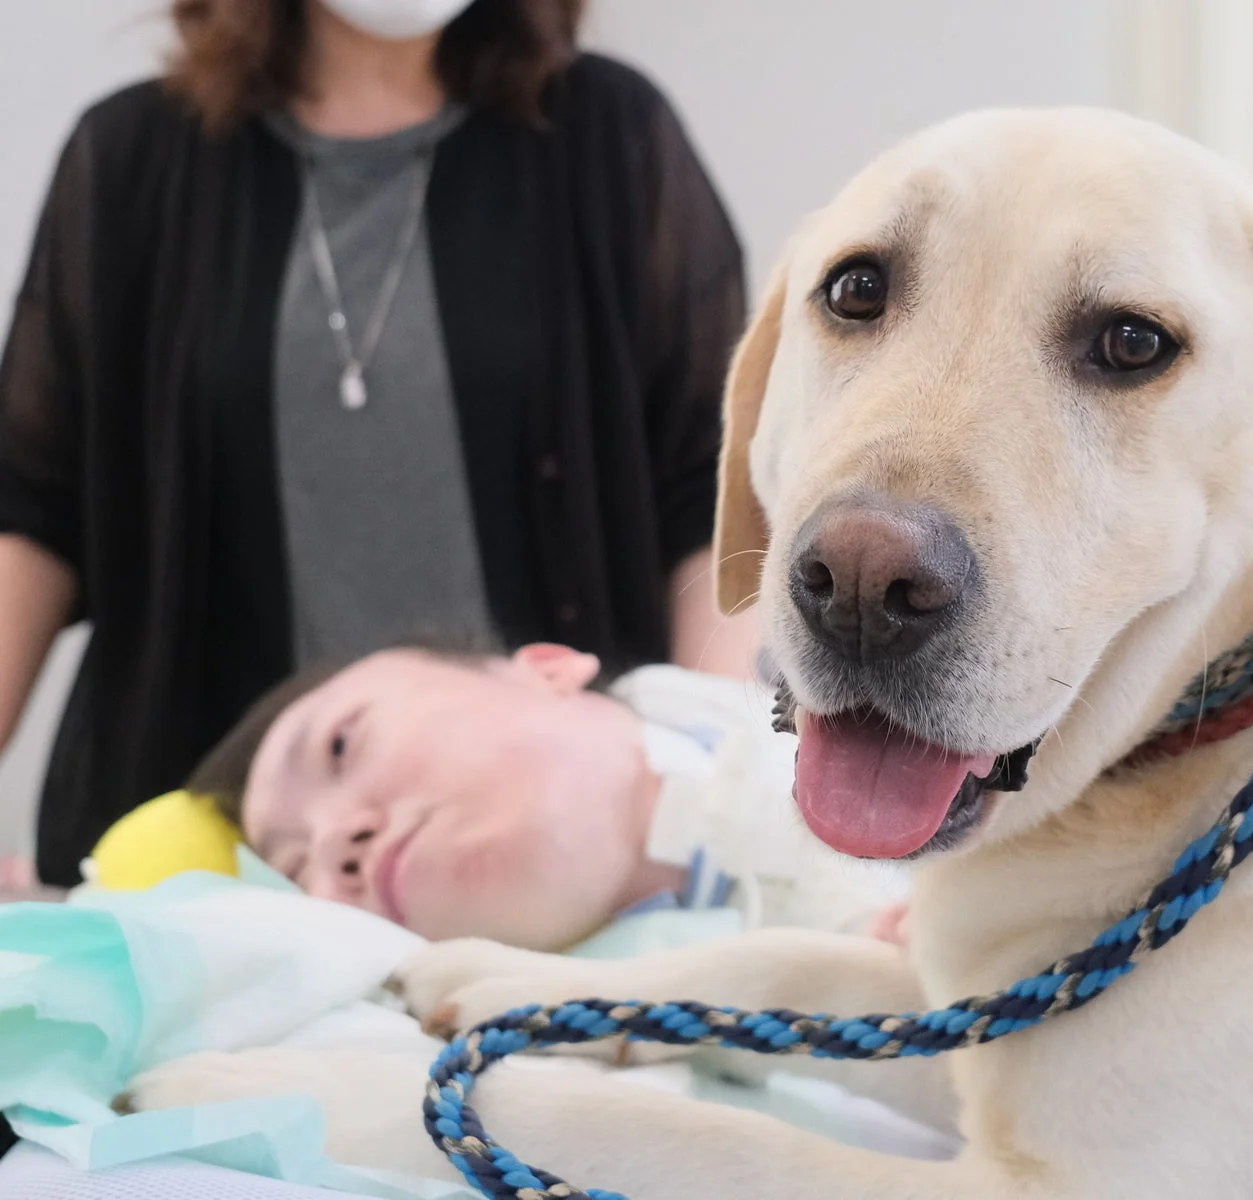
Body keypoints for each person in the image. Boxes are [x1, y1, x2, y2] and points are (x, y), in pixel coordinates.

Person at [0, 0, 758, 888]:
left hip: (552, 854)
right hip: (212, 855)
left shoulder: (607, 132)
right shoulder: (135, 156)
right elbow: (30, 507)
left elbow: (715, 490)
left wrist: (728, 771)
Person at [130, 642, 906, 952]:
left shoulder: (849, 683)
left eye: (340, 747)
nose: (334, 842)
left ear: (545, 667)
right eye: (298, 872)